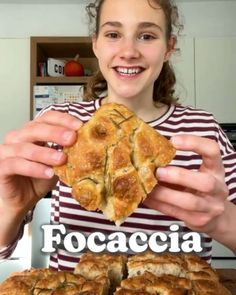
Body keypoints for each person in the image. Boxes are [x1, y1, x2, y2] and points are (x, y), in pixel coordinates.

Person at [0, 0, 236, 271]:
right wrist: (10, 207)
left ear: (168, 47)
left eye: (146, 36)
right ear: (95, 44)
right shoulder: (58, 126)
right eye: (113, 34)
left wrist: (224, 221)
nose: (128, 51)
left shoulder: (202, 130)